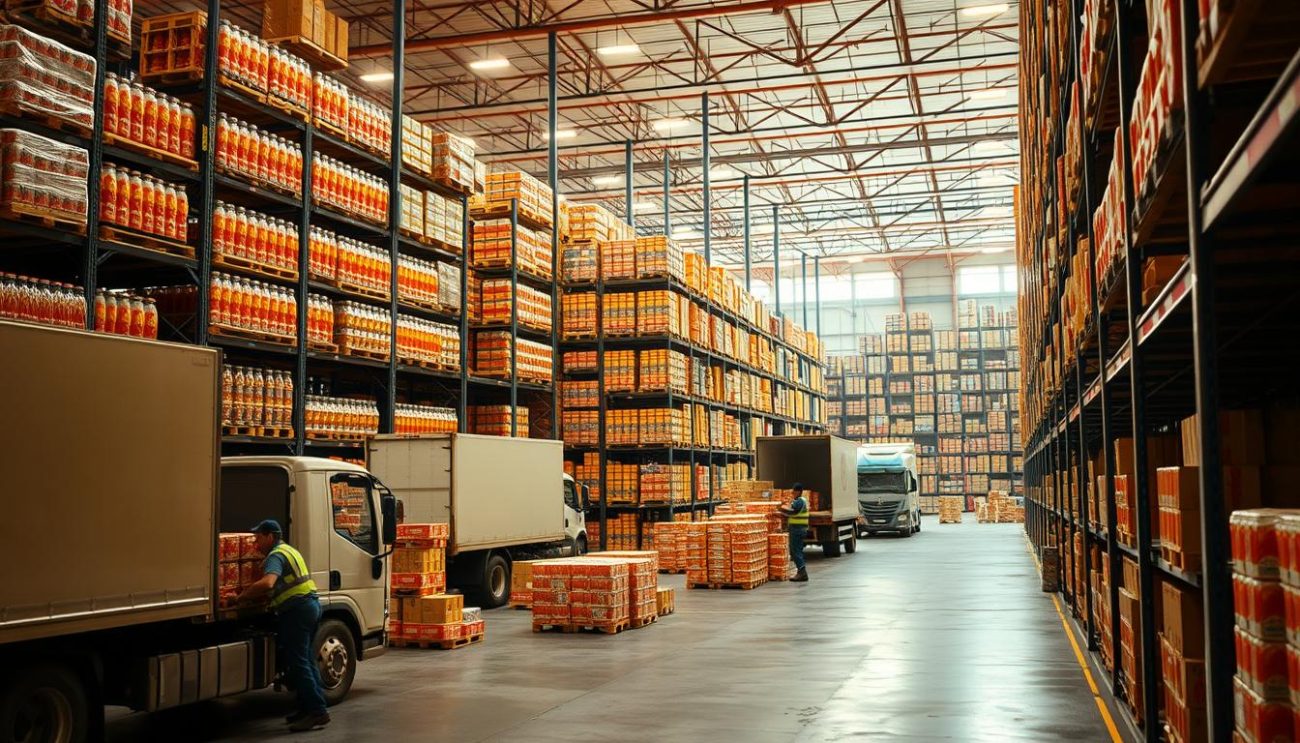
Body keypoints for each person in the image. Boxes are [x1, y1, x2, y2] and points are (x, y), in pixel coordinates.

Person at [238, 519, 331, 732]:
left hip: (297, 611)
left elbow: (268, 582)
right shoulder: (290, 550)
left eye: (259, 537)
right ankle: (309, 708)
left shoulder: (275, 556)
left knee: (298, 663)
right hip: (310, 606)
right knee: (306, 660)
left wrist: (242, 596)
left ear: (270, 536)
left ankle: (317, 712)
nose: (256, 543)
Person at [779, 483, 810, 582]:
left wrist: (780, 508)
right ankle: (801, 571)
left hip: (797, 529)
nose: (792, 493)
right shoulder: (801, 500)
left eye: (794, 491)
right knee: (798, 551)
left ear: (798, 492)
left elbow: (792, 512)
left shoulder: (799, 501)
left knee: (795, 551)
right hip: (799, 529)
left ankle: (802, 572)